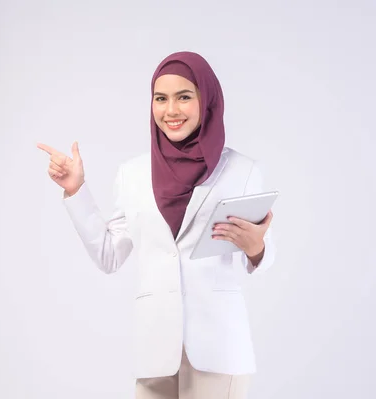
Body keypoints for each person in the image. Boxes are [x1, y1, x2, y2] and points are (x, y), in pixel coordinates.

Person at [37, 51, 276, 399]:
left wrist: (257, 249)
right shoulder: (132, 174)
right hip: (154, 351)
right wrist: (76, 191)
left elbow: (265, 258)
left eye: (184, 97)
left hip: (219, 349)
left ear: (206, 100)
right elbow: (108, 256)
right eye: (161, 99)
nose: (171, 110)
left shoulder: (242, 171)